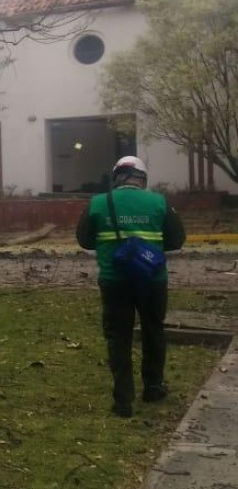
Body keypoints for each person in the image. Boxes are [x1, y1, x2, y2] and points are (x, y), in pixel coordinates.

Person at [76, 156, 186, 418]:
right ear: (142, 179)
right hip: (152, 279)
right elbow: (177, 239)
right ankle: (153, 387)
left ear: (116, 177)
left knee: (118, 336)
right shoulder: (159, 202)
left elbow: (85, 240)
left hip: (114, 281)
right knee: (153, 331)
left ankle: (123, 400)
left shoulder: (99, 203)